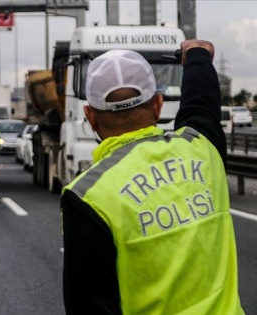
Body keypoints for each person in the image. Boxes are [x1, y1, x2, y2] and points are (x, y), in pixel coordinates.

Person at [61, 40, 244, 314]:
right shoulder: (203, 149)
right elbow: (201, 103)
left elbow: (89, 305)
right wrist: (197, 54)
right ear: (158, 105)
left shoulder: (87, 196)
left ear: (90, 116)